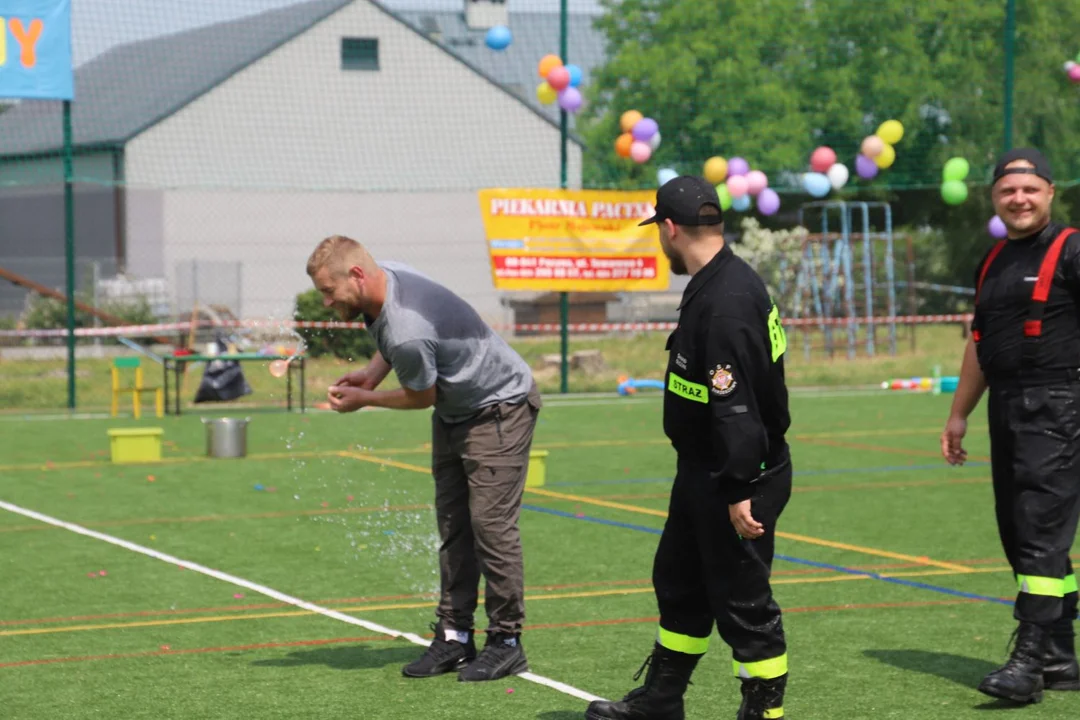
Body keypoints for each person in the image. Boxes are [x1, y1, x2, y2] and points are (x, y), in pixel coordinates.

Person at [586, 176, 793, 720]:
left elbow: (739, 406)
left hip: (737, 473)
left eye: (659, 230)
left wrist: (739, 486)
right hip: (704, 469)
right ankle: (662, 700)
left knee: (742, 600)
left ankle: (762, 710)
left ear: (671, 229)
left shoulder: (725, 301)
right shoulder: (715, 282)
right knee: (679, 582)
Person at [306, 235, 542, 683]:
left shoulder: (406, 327)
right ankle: (454, 637)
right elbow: (397, 344)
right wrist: (372, 374)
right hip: (456, 410)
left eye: (328, 290)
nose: (326, 300)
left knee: (491, 529)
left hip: (499, 408)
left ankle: (507, 642)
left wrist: (364, 399)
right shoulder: (388, 275)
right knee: (454, 528)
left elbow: (421, 394)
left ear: (356, 275)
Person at [941, 148, 1080, 704]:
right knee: (1021, 534)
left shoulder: (1072, 249)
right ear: (994, 198)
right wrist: (958, 413)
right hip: (1008, 406)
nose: (1019, 199)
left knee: (1041, 532)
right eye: (1008, 191)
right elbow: (980, 343)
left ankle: (1028, 662)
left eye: (1030, 190)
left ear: (1049, 192)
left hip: (1060, 404)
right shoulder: (992, 260)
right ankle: (1061, 658)